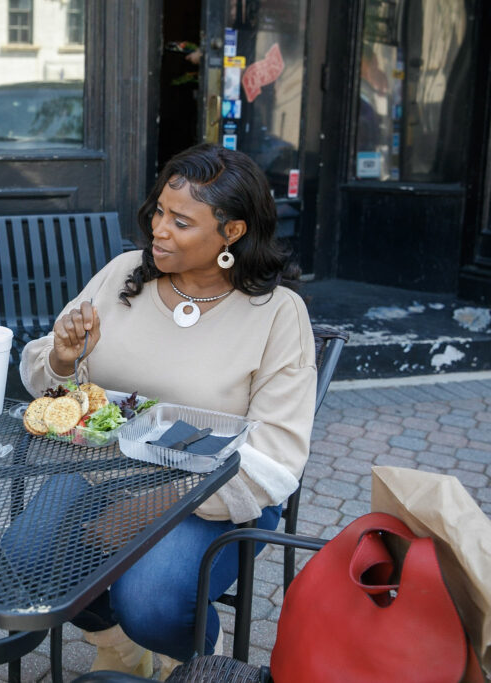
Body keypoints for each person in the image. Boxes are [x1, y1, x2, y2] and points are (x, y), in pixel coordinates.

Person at [18, 143, 316, 675]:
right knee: (29, 561)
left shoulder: (277, 313)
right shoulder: (124, 274)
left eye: (181, 221)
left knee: (151, 598)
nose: (158, 229)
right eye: (159, 210)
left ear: (233, 232)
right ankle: (121, 649)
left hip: (219, 494)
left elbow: (276, 458)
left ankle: (194, 656)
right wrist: (62, 360)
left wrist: (160, 504)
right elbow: (50, 385)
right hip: (100, 470)